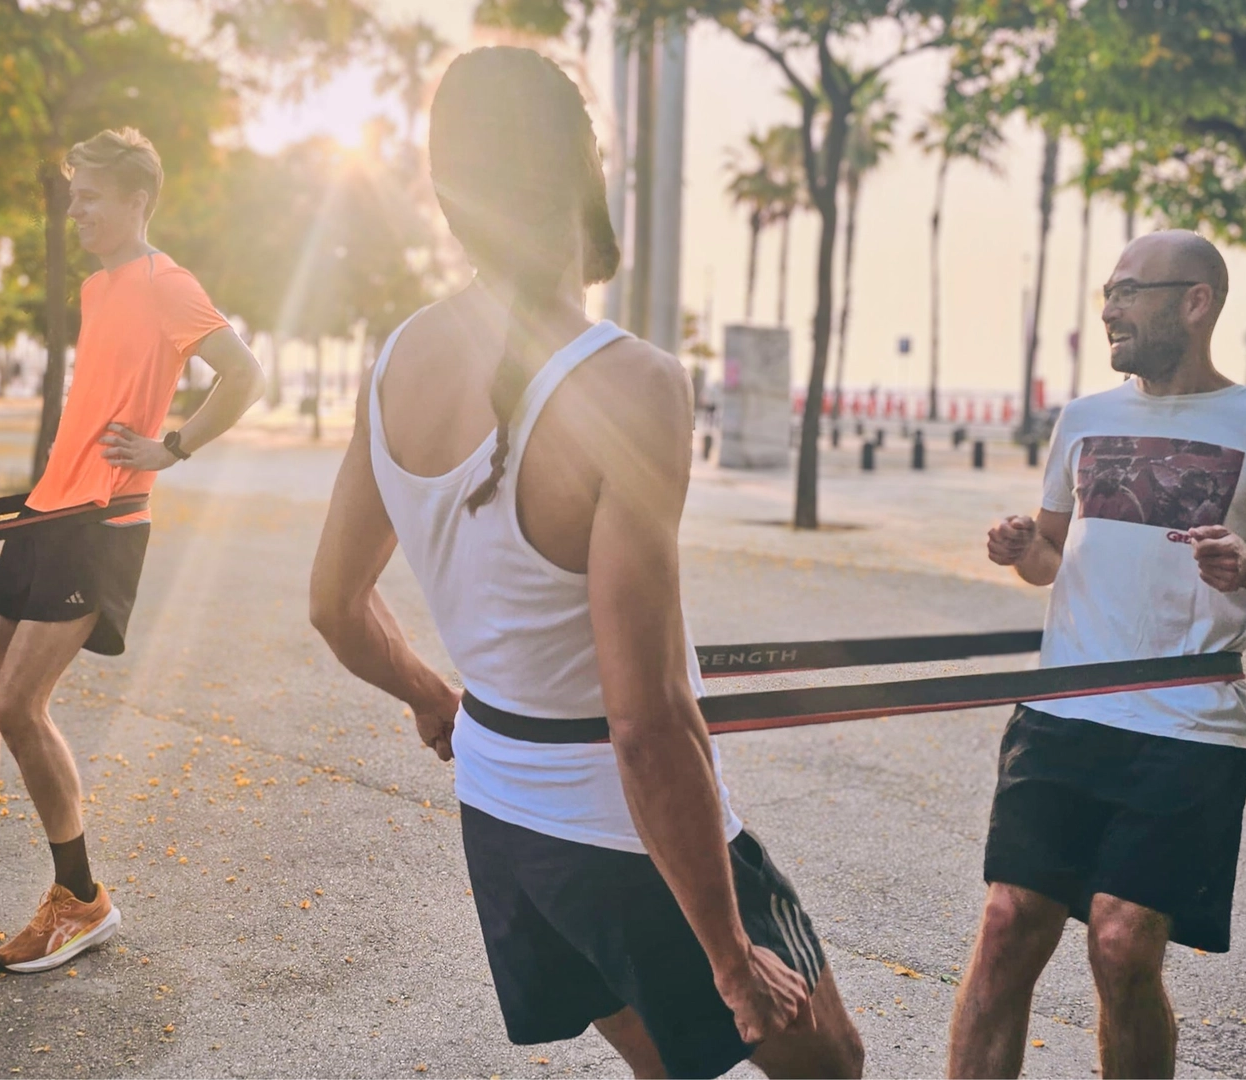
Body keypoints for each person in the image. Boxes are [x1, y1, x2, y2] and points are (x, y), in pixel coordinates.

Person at [308, 48, 862, 1079]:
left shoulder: (396, 361)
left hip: (502, 818)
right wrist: (733, 960)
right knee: (831, 1063)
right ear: (585, 166)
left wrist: (437, 697)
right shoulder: (632, 385)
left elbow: (336, 607)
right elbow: (647, 727)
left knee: (660, 1063)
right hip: (614, 823)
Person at [0, 128, 266, 974]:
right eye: (73, 194)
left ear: (137, 202)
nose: (74, 208)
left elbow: (244, 373)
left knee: (18, 704)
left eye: (90, 197)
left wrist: (174, 446)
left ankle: (82, 899)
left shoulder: (168, 283)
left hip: (102, 524)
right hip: (46, 509)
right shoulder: (100, 285)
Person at [954, 231, 1246, 1079]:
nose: (1109, 308)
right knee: (1009, 925)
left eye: (1128, 291)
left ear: (1196, 301)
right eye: (1106, 293)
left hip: (1189, 728)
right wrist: (1020, 549)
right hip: (1061, 713)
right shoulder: (1083, 420)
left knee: (1122, 944)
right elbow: (1052, 559)